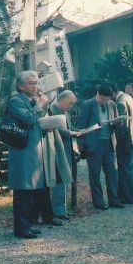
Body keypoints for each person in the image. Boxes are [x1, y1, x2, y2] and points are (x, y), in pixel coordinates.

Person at [6, 70, 62, 239]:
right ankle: (21, 228)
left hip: (34, 148)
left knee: (32, 189)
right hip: (23, 150)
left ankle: (27, 225)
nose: (35, 86)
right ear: (21, 86)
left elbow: (36, 121)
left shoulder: (29, 100)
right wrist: (40, 105)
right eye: (31, 83)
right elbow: (28, 119)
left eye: (37, 82)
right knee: (23, 190)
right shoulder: (16, 100)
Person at [77, 84, 124, 210]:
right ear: (97, 93)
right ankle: (98, 202)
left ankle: (114, 199)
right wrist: (81, 146)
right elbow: (81, 126)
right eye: (102, 98)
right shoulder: (87, 105)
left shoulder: (112, 105)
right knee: (95, 174)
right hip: (93, 144)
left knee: (112, 173)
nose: (103, 101)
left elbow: (117, 125)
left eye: (106, 99)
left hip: (109, 142)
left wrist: (118, 122)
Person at [50, 90, 78, 220]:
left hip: (66, 148)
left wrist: (77, 131)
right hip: (57, 149)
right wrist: (72, 133)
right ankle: (57, 210)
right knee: (59, 179)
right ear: (62, 99)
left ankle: (61, 209)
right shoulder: (53, 109)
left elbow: (69, 128)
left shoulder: (65, 112)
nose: (71, 106)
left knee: (64, 179)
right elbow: (57, 129)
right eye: (70, 103)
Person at [113, 82, 133, 204]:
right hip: (131, 138)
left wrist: (116, 139)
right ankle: (128, 196)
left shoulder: (120, 101)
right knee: (127, 168)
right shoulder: (128, 98)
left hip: (124, 140)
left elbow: (122, 124)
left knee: (124, 170)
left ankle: (126, 197)